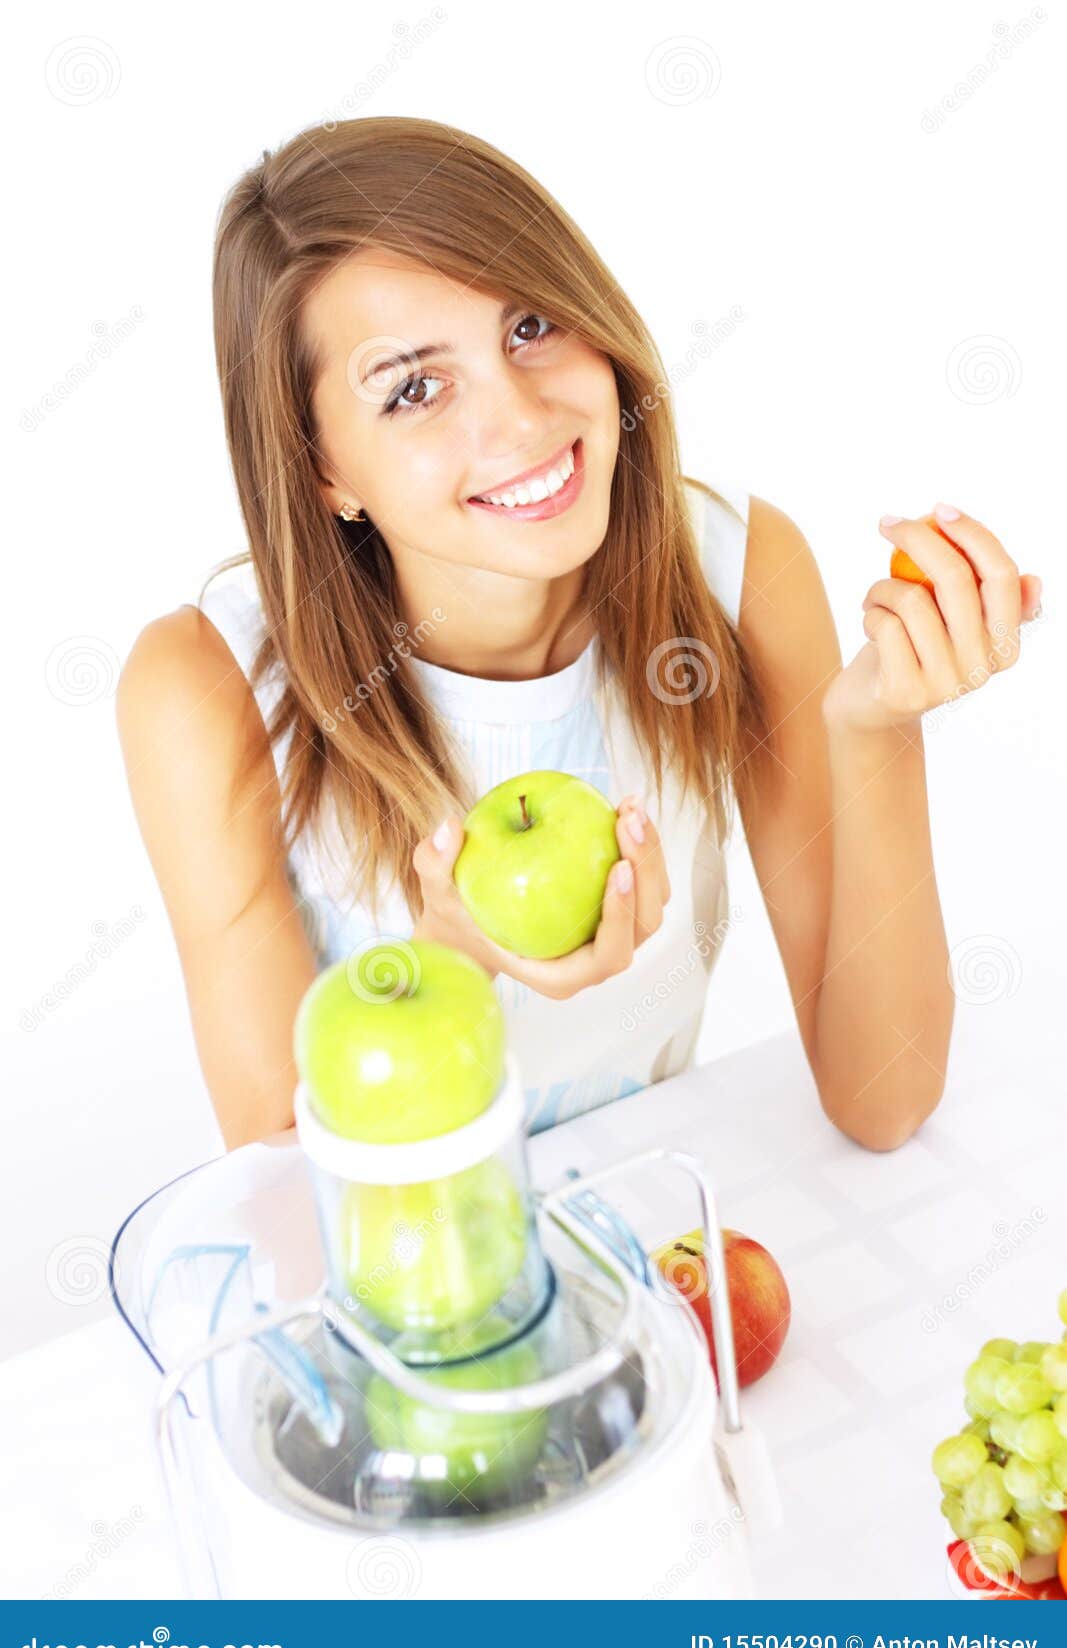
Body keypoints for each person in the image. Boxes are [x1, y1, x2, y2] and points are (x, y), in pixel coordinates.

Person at [116, 116, 1041, 1154]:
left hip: (657, 1216)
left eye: (529, 326)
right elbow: (286, 1185)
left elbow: (882, 1099)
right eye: (413, 387)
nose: (519, 420)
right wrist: (449, 966)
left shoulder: (733, 571)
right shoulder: (205, 688)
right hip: (428, 1250)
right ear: (322, 468)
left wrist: (874, 728)